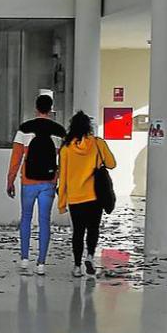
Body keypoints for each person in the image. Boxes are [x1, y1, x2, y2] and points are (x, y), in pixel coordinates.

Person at [7, 94, 67, 276]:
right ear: (51, 109)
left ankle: (24, 260)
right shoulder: (59, 131)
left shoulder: (24, 129)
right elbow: (63, 160)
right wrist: (61, 182)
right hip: (48, 182)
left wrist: (10, 180)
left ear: (36, 108)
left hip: (28, 181)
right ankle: (41, 263)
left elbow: (16, 158)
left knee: (25, 218)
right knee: (44, 221)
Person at [58, 110, 116, 278]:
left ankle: (77, 267)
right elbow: (112, 164)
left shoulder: (66, 148)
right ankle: (90, 256)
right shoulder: (98, 143)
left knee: (78, 232)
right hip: (95, 197)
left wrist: (62, 203)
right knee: (93, 229)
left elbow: (63, 176)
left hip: (75, 198)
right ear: (89, 126)